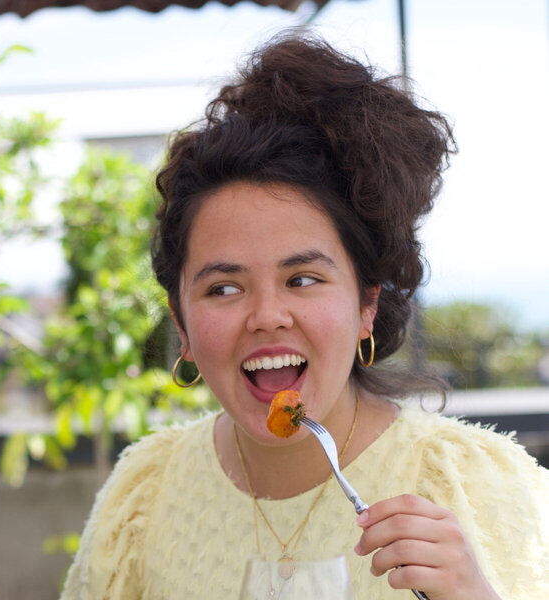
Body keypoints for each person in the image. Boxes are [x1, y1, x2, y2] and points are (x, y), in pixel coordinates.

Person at [60, 34, 549, 600]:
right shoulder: (142, 494)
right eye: (223, 288)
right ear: (182, 325)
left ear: (367, 304)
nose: (266, 316)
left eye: (302, 280)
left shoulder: (476, 485)